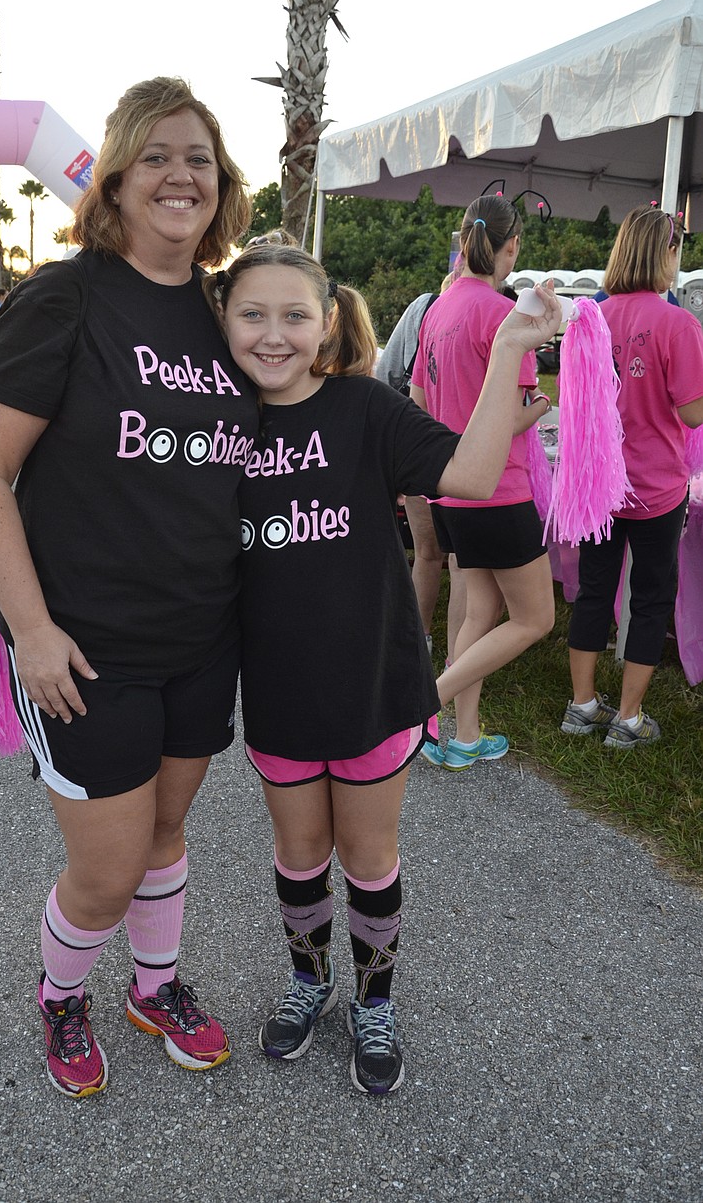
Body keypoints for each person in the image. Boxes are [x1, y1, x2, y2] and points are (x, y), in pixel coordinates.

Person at [0, 77, 257, 1099]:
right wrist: (29, 629)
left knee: (168, 833)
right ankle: (61, 990)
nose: (181, 175)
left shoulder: (225, 311)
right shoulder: (67, 295)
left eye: (200, 158)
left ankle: (154, 984)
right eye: (158, 156)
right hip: (83, 643)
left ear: (223, 187)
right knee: (107, 865)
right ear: (117, 178)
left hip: (200, 635)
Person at [205, 243, 561, 1094]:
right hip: (282, 693)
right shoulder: (215, 429)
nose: (274, 333)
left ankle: (373, 998)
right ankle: (307, 980)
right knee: (298, 852)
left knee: (367, 857)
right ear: (222, 321)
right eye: (252, 313)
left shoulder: (364, 408)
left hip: (375, 685)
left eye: (295, 313)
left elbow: (472, 473)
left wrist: (511, 347)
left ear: (326, 320)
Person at [410, 194, 556, 771]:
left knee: (478, 614)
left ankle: (463, 737)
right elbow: (505, 417)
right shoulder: (501, 314)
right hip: (498, 488)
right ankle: (420, 708)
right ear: (512, 246)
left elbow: (419, 401)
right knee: (535, 618)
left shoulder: (438, 310)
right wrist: (539, 408)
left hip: (450, 487)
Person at [562, 206, 703, 747]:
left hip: (598, 487)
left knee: (594, 591)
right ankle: (628, 718)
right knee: (649, 595)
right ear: (666, 254)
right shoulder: (677, 323)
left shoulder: (589, 317)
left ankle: (581, 706)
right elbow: (692, 413)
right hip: (656, 487)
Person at [376, 277, 467, 664]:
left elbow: (387, 376)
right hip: (464, 456)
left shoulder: (427, 307)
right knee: (460, 562)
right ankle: (456, 663)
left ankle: (416, 645)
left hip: (418, 449)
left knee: (429, 554)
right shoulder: (497, 310)